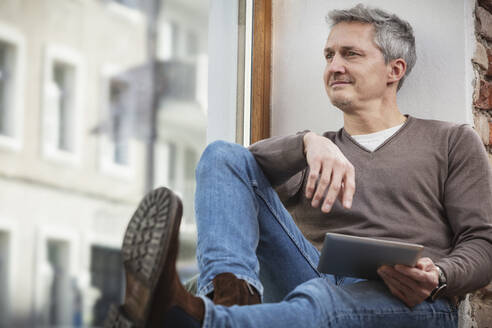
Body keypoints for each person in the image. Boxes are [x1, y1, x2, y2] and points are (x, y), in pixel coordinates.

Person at [105, 4, 492, 328]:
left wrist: (439, 276)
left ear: (395, 70)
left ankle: (198, 319)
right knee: (221, 153)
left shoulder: (450, 141)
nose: (334, 66)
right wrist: (307, 142)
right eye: (329, 55)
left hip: (413, 304)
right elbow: (232, 174)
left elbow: (483, 245)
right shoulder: (311, 154)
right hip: (308, 284)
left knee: (321, 299)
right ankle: (230, 298)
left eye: (350, 54)